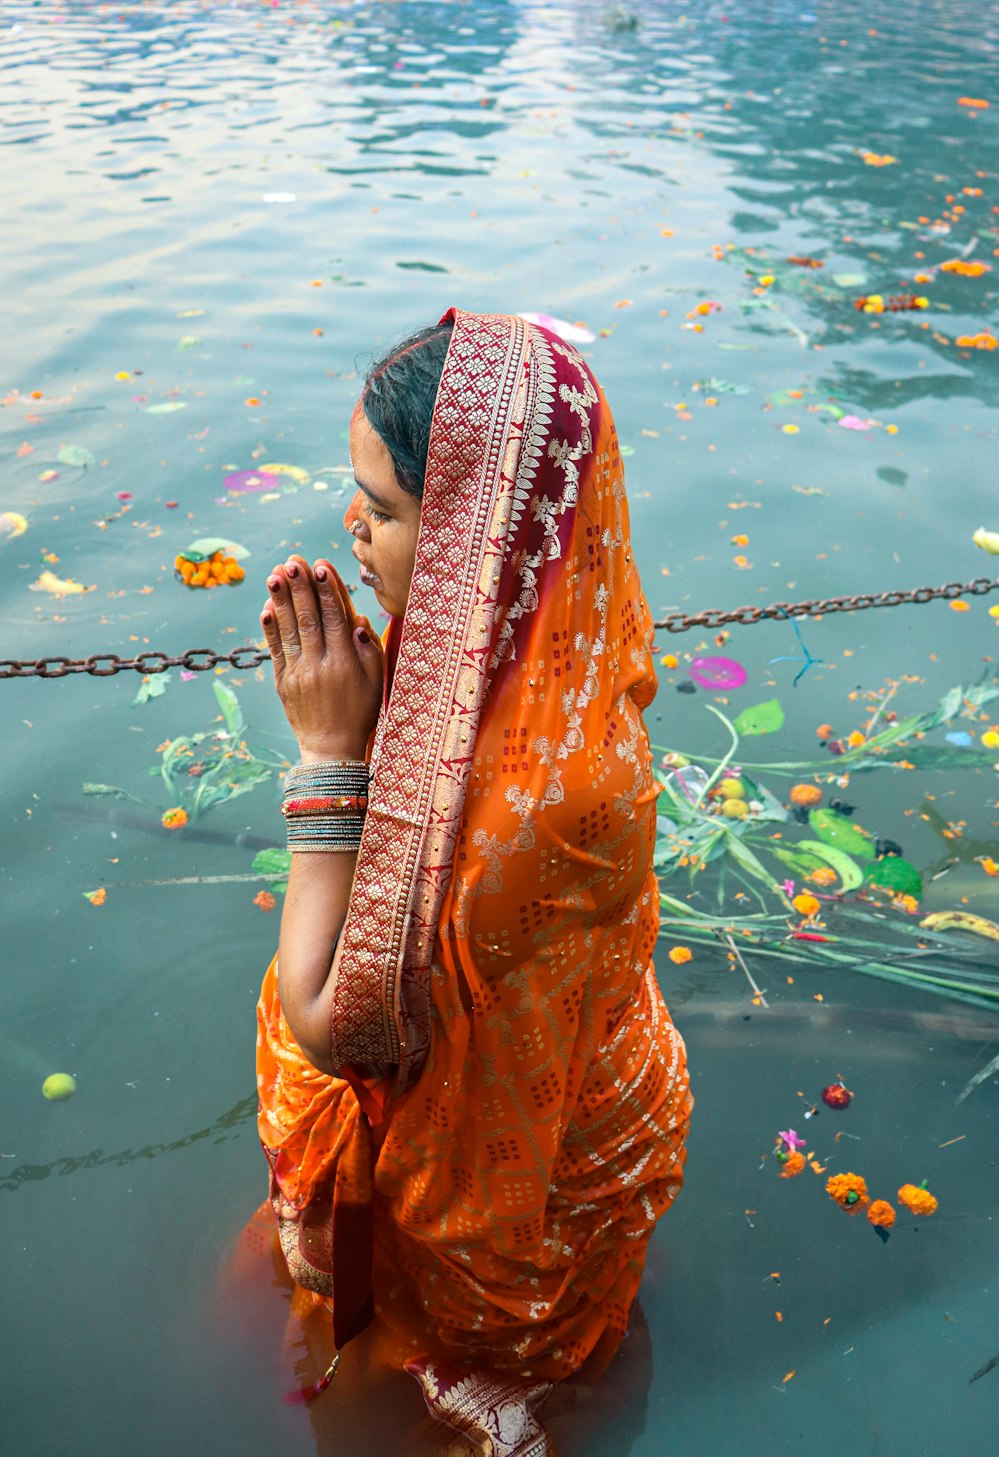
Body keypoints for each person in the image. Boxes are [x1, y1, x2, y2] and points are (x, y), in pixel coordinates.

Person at [254, 307, 692, 1455]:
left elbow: (335, 1024)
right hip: (569, 1091)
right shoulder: (541, 646)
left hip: (526, 1203)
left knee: (411, 1404)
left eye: (388, 511)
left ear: (474, 539)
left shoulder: (544, 810)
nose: (352, 525)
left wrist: (329, 759)